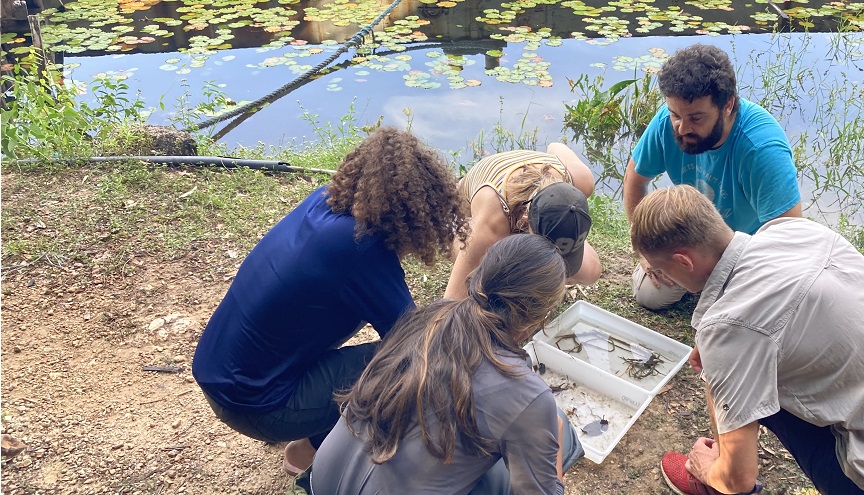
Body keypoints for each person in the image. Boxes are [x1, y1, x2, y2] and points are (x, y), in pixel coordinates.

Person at [629, 185, 864, 495]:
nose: (662, 279)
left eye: (660, 272)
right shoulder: (790, 230)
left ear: (684, 261)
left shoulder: (727, 328)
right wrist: (721, 349)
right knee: (729, 366)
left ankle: (714, 479)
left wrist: (710, 469)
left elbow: (741, 481)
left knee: (723, 404)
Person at [191, 127, 469, 476]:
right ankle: (308, 453)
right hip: (255, 404)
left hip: (218, 372)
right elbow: (418, 341)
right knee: (406, 366)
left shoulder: (324, 202)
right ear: (413, 213)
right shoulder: (362, 249)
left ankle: (309, 424)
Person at [311, 234, 584, 494]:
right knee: (562, 433)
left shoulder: (431, 317)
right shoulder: (528, 395)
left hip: (322, 480)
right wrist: (553, 446)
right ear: (538, 318)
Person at [623, 43, 802, 310]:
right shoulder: (669, 121)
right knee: (650, 295)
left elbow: (790, 238)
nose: (682, 128)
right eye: (675, 115)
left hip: (748, 253)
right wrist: (647, 251)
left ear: (727, 105)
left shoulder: (761, 148)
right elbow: (635, 180)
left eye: (696, 118)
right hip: (694, 237)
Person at [444, 143, 601, 300]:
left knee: (591, 271)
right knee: (487, 276)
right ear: (525, 219)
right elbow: (452, 300)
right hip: (459, 210)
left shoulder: (581, 179)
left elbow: (555, 146)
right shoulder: (494, 220)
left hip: (525, 201)